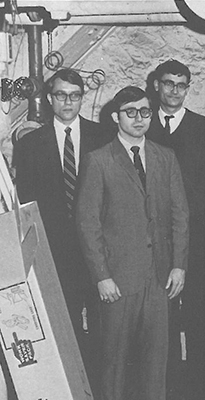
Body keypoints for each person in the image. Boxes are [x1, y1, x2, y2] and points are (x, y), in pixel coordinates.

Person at [76, 86, 189, 400]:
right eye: (130, 112)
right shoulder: (98, 161)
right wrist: (102, 276)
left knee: (157, 363)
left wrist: (179, 266)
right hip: (118, 280)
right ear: (116, 117)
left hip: (160, 278)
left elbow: (180, 214)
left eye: (145, 112)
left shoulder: (165, 157)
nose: (139, 119)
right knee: (114, 364)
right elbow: (88, 224)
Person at [13, 68, 106, 393]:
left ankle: (99, 390)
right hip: (55, 253)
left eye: (75, 95)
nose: (68, 101)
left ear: (82, 97)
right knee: (61, 325)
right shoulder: (31, 145)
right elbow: (26, 203)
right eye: (61, 95)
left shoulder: (102, 137)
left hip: (97, 250)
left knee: (101, 324)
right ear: (51, 99)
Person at [146, 59, 205, 399]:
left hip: (193, 230)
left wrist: (182, 218)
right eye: (169, 83)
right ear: (157, 85)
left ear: (188, 88)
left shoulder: (201, 127)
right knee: (163, 312)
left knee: (198, 308)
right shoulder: (144, 124)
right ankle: (168, 384)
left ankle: (200, 387)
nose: (174, 90)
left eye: (181, 84)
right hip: (155, 234)